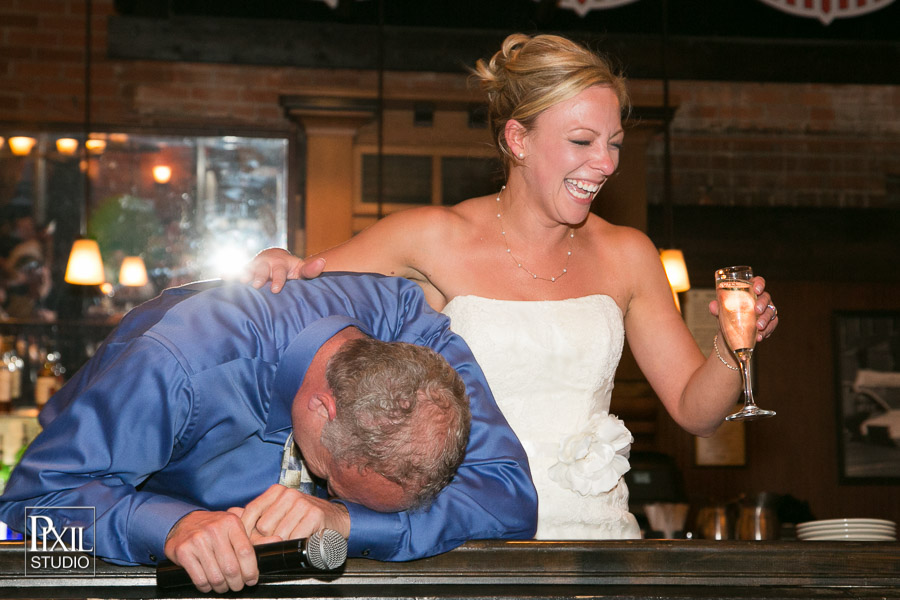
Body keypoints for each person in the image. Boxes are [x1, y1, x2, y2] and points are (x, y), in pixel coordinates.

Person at [244, 33, 780, 540]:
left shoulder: (630, 253)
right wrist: (277, 262)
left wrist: (733, 349)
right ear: (518, 139)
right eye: (581, 141)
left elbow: (697, 413)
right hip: (467, 530)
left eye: (614, 143)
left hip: (595, 536)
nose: (606, 163)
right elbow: (298, 298)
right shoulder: (431, 238)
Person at [0, 274, 537, 593]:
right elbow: (30, 504)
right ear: (323, 409)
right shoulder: (177, 365)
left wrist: (349, 520)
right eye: (334, 482)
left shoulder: (418, 343)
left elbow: (510, 499)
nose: (330, 491)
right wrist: (168, 526)